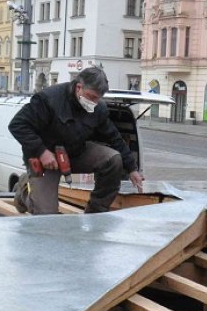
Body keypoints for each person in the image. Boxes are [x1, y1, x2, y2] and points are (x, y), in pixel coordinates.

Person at [8, 67, 143, 215]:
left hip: (75, 152)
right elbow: (17, 125)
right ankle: (24, 192)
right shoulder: (48, 99)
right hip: (45, 159)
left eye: (98, 98)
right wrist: (41, 152)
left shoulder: (97, 108)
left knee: (113, 159)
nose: (95, 102)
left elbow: (114, 137)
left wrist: (132, 168)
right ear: (79, 87)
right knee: (46, 215)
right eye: (92, 97)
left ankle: (95, 212)